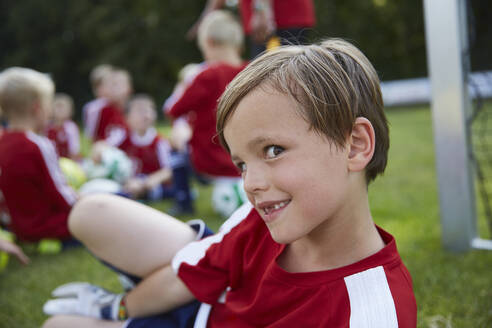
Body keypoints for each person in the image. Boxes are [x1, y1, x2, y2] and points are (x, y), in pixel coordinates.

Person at [41, 39, 417, 327]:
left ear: (355, 145)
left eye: (272, 150)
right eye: (240, 163)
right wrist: (118, 309)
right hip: (203, 303)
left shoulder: (371, 311)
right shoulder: (268, 215)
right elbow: (187, 278)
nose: (250, 183)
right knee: (91, 210)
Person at [165, 10, 248, 217]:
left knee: (175, 144)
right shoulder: (252, 72)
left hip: (209, 159)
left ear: (209, 43)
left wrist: (183, 85)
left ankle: (183, 201)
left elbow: (173, 110)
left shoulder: (207, 75)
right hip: (247, 159)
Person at [0, 67, 77, 242]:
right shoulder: (38, 144)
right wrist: (83, 204)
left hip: (15, 229)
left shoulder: (2, 142)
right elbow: (60, 193)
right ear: (37, 108)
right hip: (46, 227)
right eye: (49, 104)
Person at [121, 95, 194, 213]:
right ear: (127, 117)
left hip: (153, 184)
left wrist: (146, 183)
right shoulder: (122, 138)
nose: (145, 115)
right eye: (139, 111)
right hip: (129, 181)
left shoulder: (160, 142)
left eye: (148, 110)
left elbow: (169, 170)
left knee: (155, 190)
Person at [188, 0, 316, 58]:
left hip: (281, 17)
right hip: (273, 19)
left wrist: (260, 9)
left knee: (282, 77)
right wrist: (205, 19)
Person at [84, 67, 132, 148]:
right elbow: (92, 136)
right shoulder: (101, 109)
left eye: (116, 84)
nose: (112, 89)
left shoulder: (131, 109)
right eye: (110, 85)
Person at [46, 93, 81, 160]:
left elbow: (74, 151)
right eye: (58, 107)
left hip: (67, 162)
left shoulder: (71, 128)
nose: (60, 111)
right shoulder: (46, 127)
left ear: (70, 111)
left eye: (63, 108)